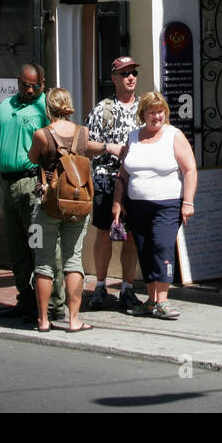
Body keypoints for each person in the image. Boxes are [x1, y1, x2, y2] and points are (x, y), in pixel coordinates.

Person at [26, 87, 123, 332]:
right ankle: (73, 320)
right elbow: (90, 149)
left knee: (44, 263)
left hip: (47, 204)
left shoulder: (41, 134)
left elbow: (32, 158)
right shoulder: (82, 133)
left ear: (48, 107)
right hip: (78, 204)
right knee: (74, 260)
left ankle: (43, 320)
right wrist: (108, 147)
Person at [0, 64, 60, 321]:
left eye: (35, 85)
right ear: (18, 82)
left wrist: (48, 181)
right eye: (25, 84)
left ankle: (53, 304)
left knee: (40, 244)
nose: (30, 89)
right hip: (8, 184)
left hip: (32, 183)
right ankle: (25, 297)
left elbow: (58, 143)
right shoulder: (5, 106)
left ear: (43, 83)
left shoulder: (46, 107)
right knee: (17, 246)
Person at [116, 90, 197, 320]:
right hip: (137, 206)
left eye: (160, 111)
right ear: (143, 114)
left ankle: (163, 301)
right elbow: (123, 173)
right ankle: (151, 300)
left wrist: (188, 203)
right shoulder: (133, 137)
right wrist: (118, 202)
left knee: (162, 248)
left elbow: (189, 169)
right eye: (152, 112)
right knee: (145, 251)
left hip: (167, 205)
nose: (156, 116)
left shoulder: (174, 135)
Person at [84, 56, 143, 313]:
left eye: (133, 73)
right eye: (125, 73)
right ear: (114, 78)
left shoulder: (145, 109)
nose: (130, 77)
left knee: (131, 237)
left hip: (136, 182)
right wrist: (110, 147)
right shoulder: (103, 109)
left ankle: (128, 287)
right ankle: (100, 285)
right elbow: (85, 145)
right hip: (107, 181)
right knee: (104, 234)